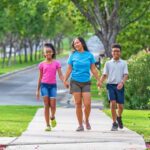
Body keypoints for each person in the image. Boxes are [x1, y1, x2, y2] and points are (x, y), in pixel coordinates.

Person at [63, 37, 99, 131]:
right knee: (78, 103)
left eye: (77, 43)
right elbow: (69, 69)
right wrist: (64, 80)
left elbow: (93, 69)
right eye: (74, 44)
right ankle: (80, 125)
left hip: (86, 82)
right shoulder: (73, 55)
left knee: (87, 104)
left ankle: (86, 120)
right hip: (75, 81)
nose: (76, 45)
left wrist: (99, 80)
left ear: (82, 43)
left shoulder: (89, 55)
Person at [98, 43, 128, 131]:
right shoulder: (108, 63)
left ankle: (119, 117)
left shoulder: (124, 63)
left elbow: (126, 75)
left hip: (120, 85)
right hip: (110, 85)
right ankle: (114, 123)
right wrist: (100, 82)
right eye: (114, 51)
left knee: (121, 106)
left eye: (117, 51)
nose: (116, 53)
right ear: (111, 52)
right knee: (113, 103)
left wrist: (122, 82)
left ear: (120, 53)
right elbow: (104, 75)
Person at [36, 43, 64, 131]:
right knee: (46, 105)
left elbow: (60, 75)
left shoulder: (56, 63)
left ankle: (52, 116)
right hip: (44, 86)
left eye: (50, 52)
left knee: (53, 105)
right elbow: (40, 78)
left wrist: (65, 82)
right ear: (44, 54)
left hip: (53, 86)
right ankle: (47, 125)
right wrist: (37, 90)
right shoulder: (41, 64)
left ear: (52, 53)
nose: (48, 53)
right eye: (46, 52)